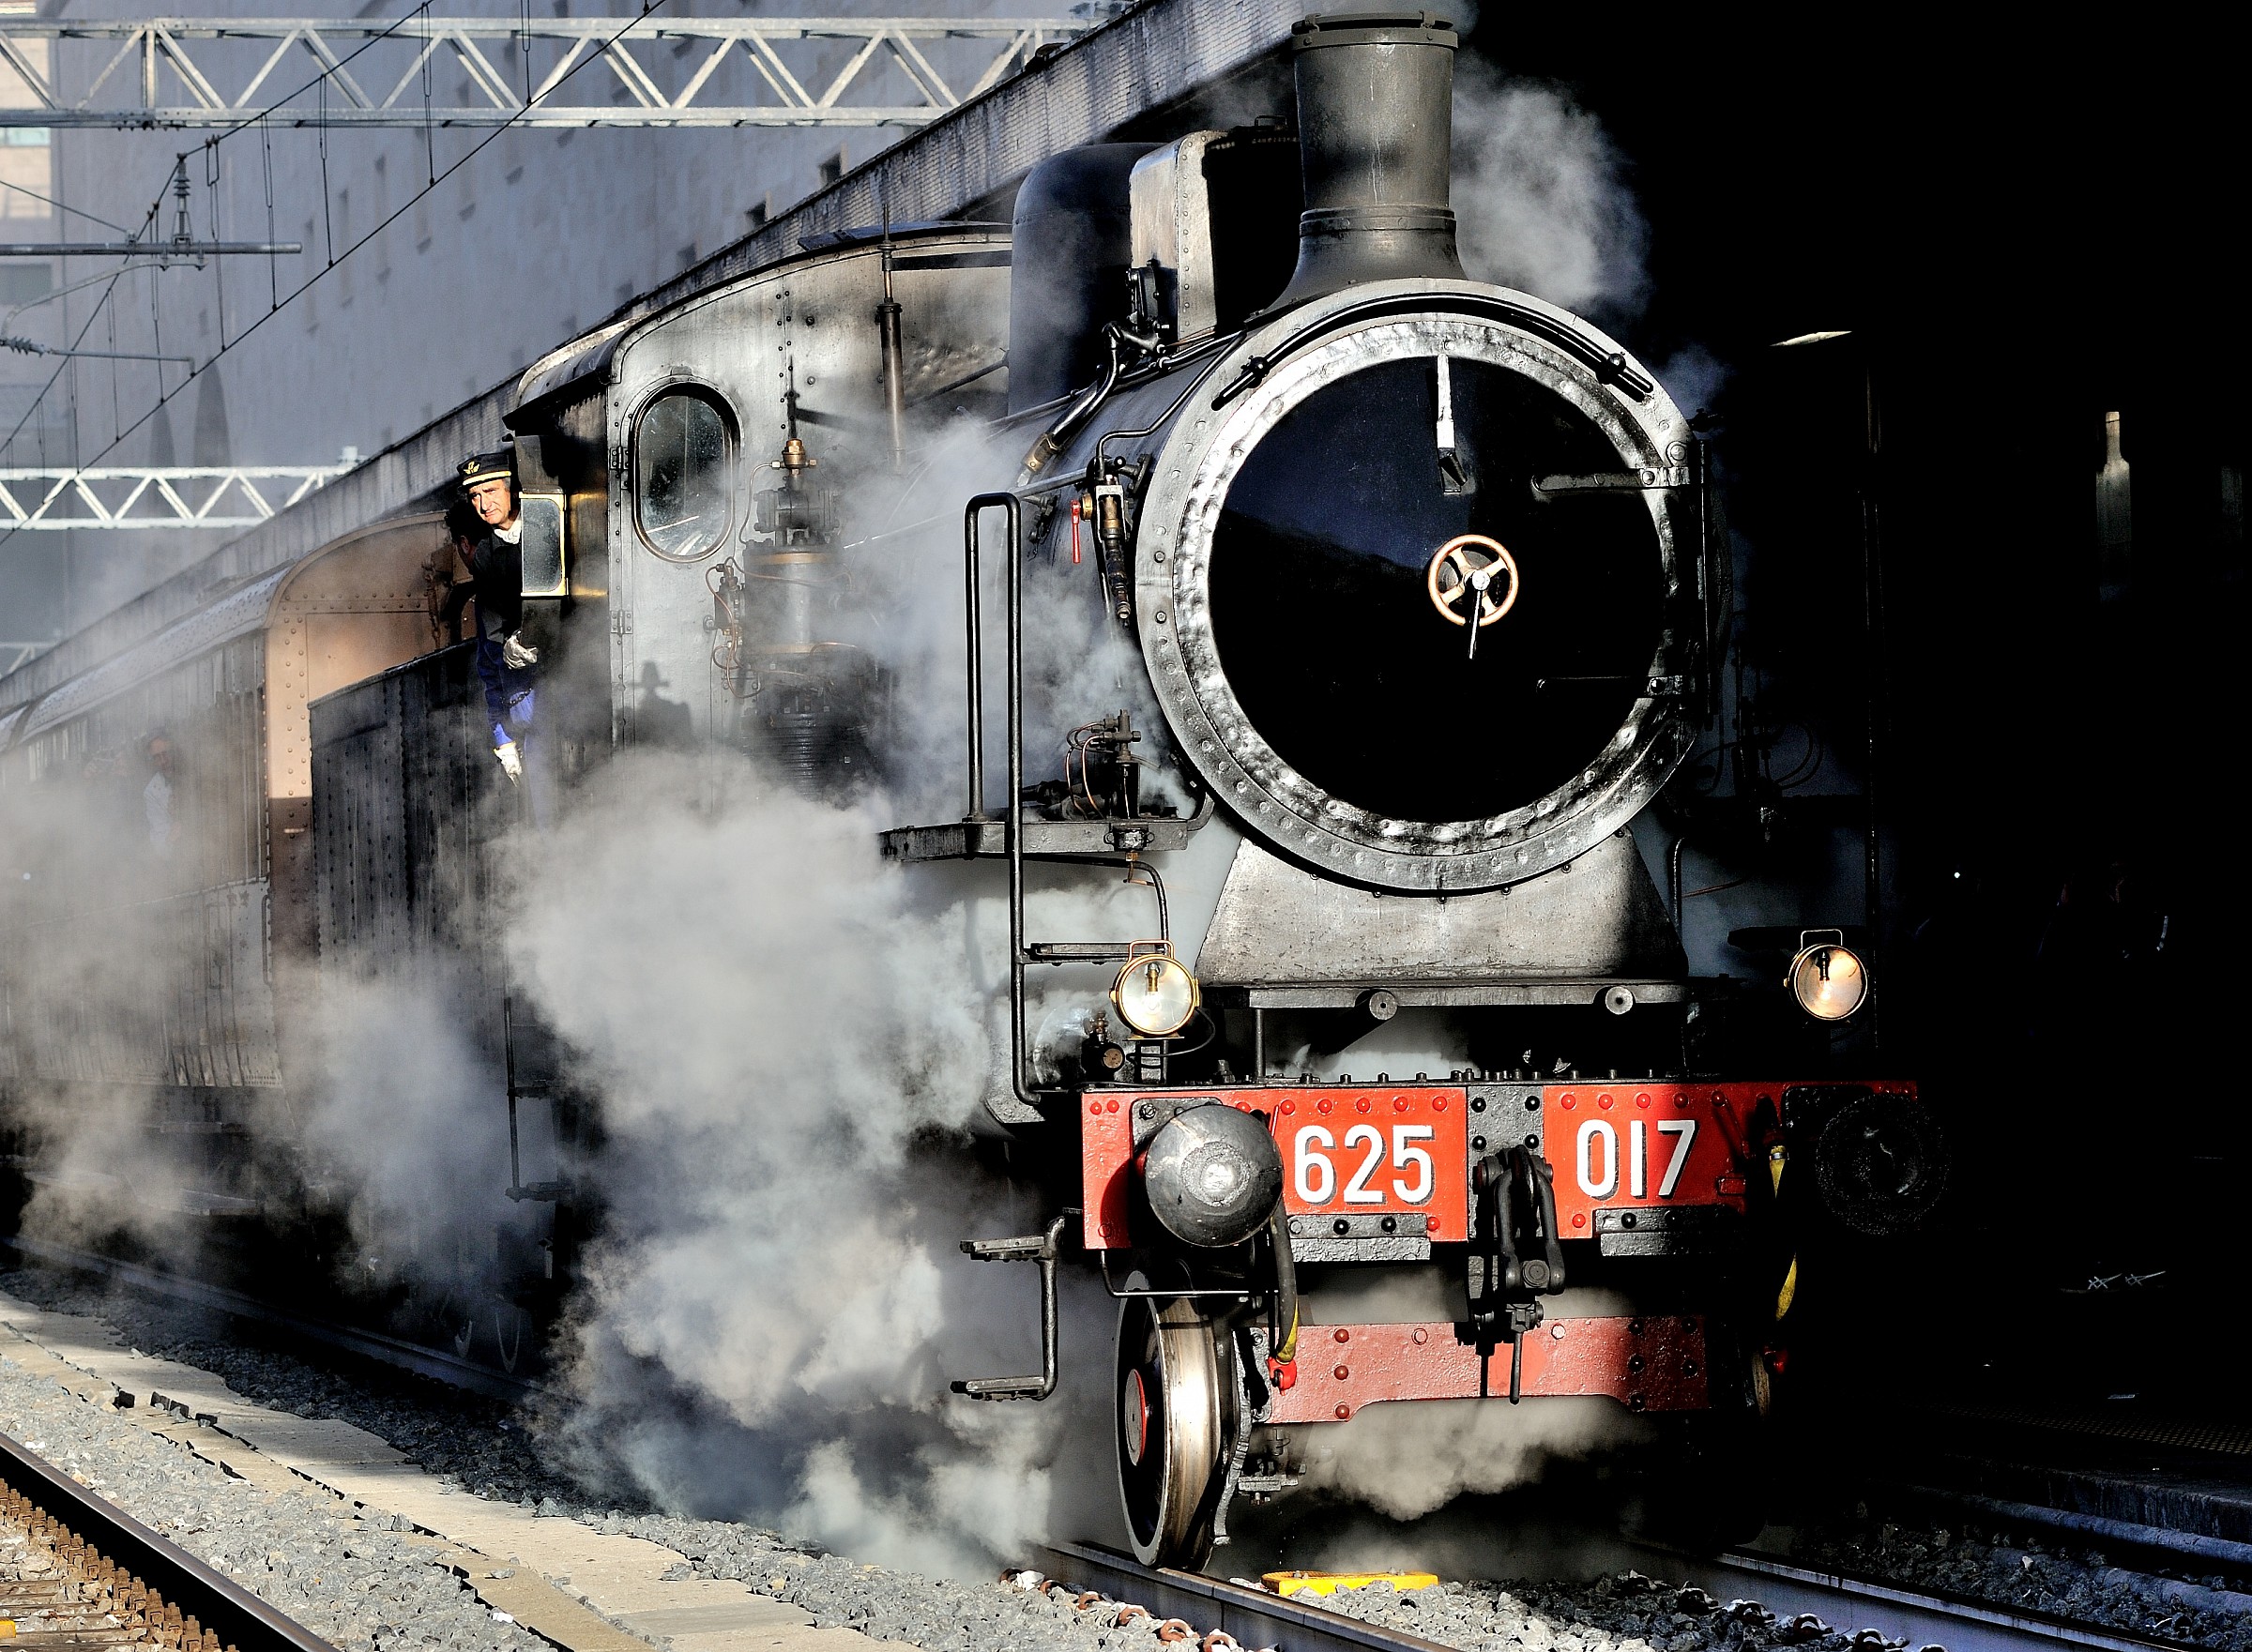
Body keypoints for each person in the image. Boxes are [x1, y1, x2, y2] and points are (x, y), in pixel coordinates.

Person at [438, 448, 540, 784]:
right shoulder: (485, 557)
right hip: (523, 716)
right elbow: (488, 666)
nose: (484, 505)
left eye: (491, 491)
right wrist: (503, 739)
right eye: (475, 496)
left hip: (557, 701)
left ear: (512, 489)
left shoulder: (545, 534)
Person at [143, 732, 176, 860]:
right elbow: (160, 844)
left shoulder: (194, 771)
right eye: (157, 757)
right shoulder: (151, 792)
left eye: (165, 753)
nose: (163, 761)